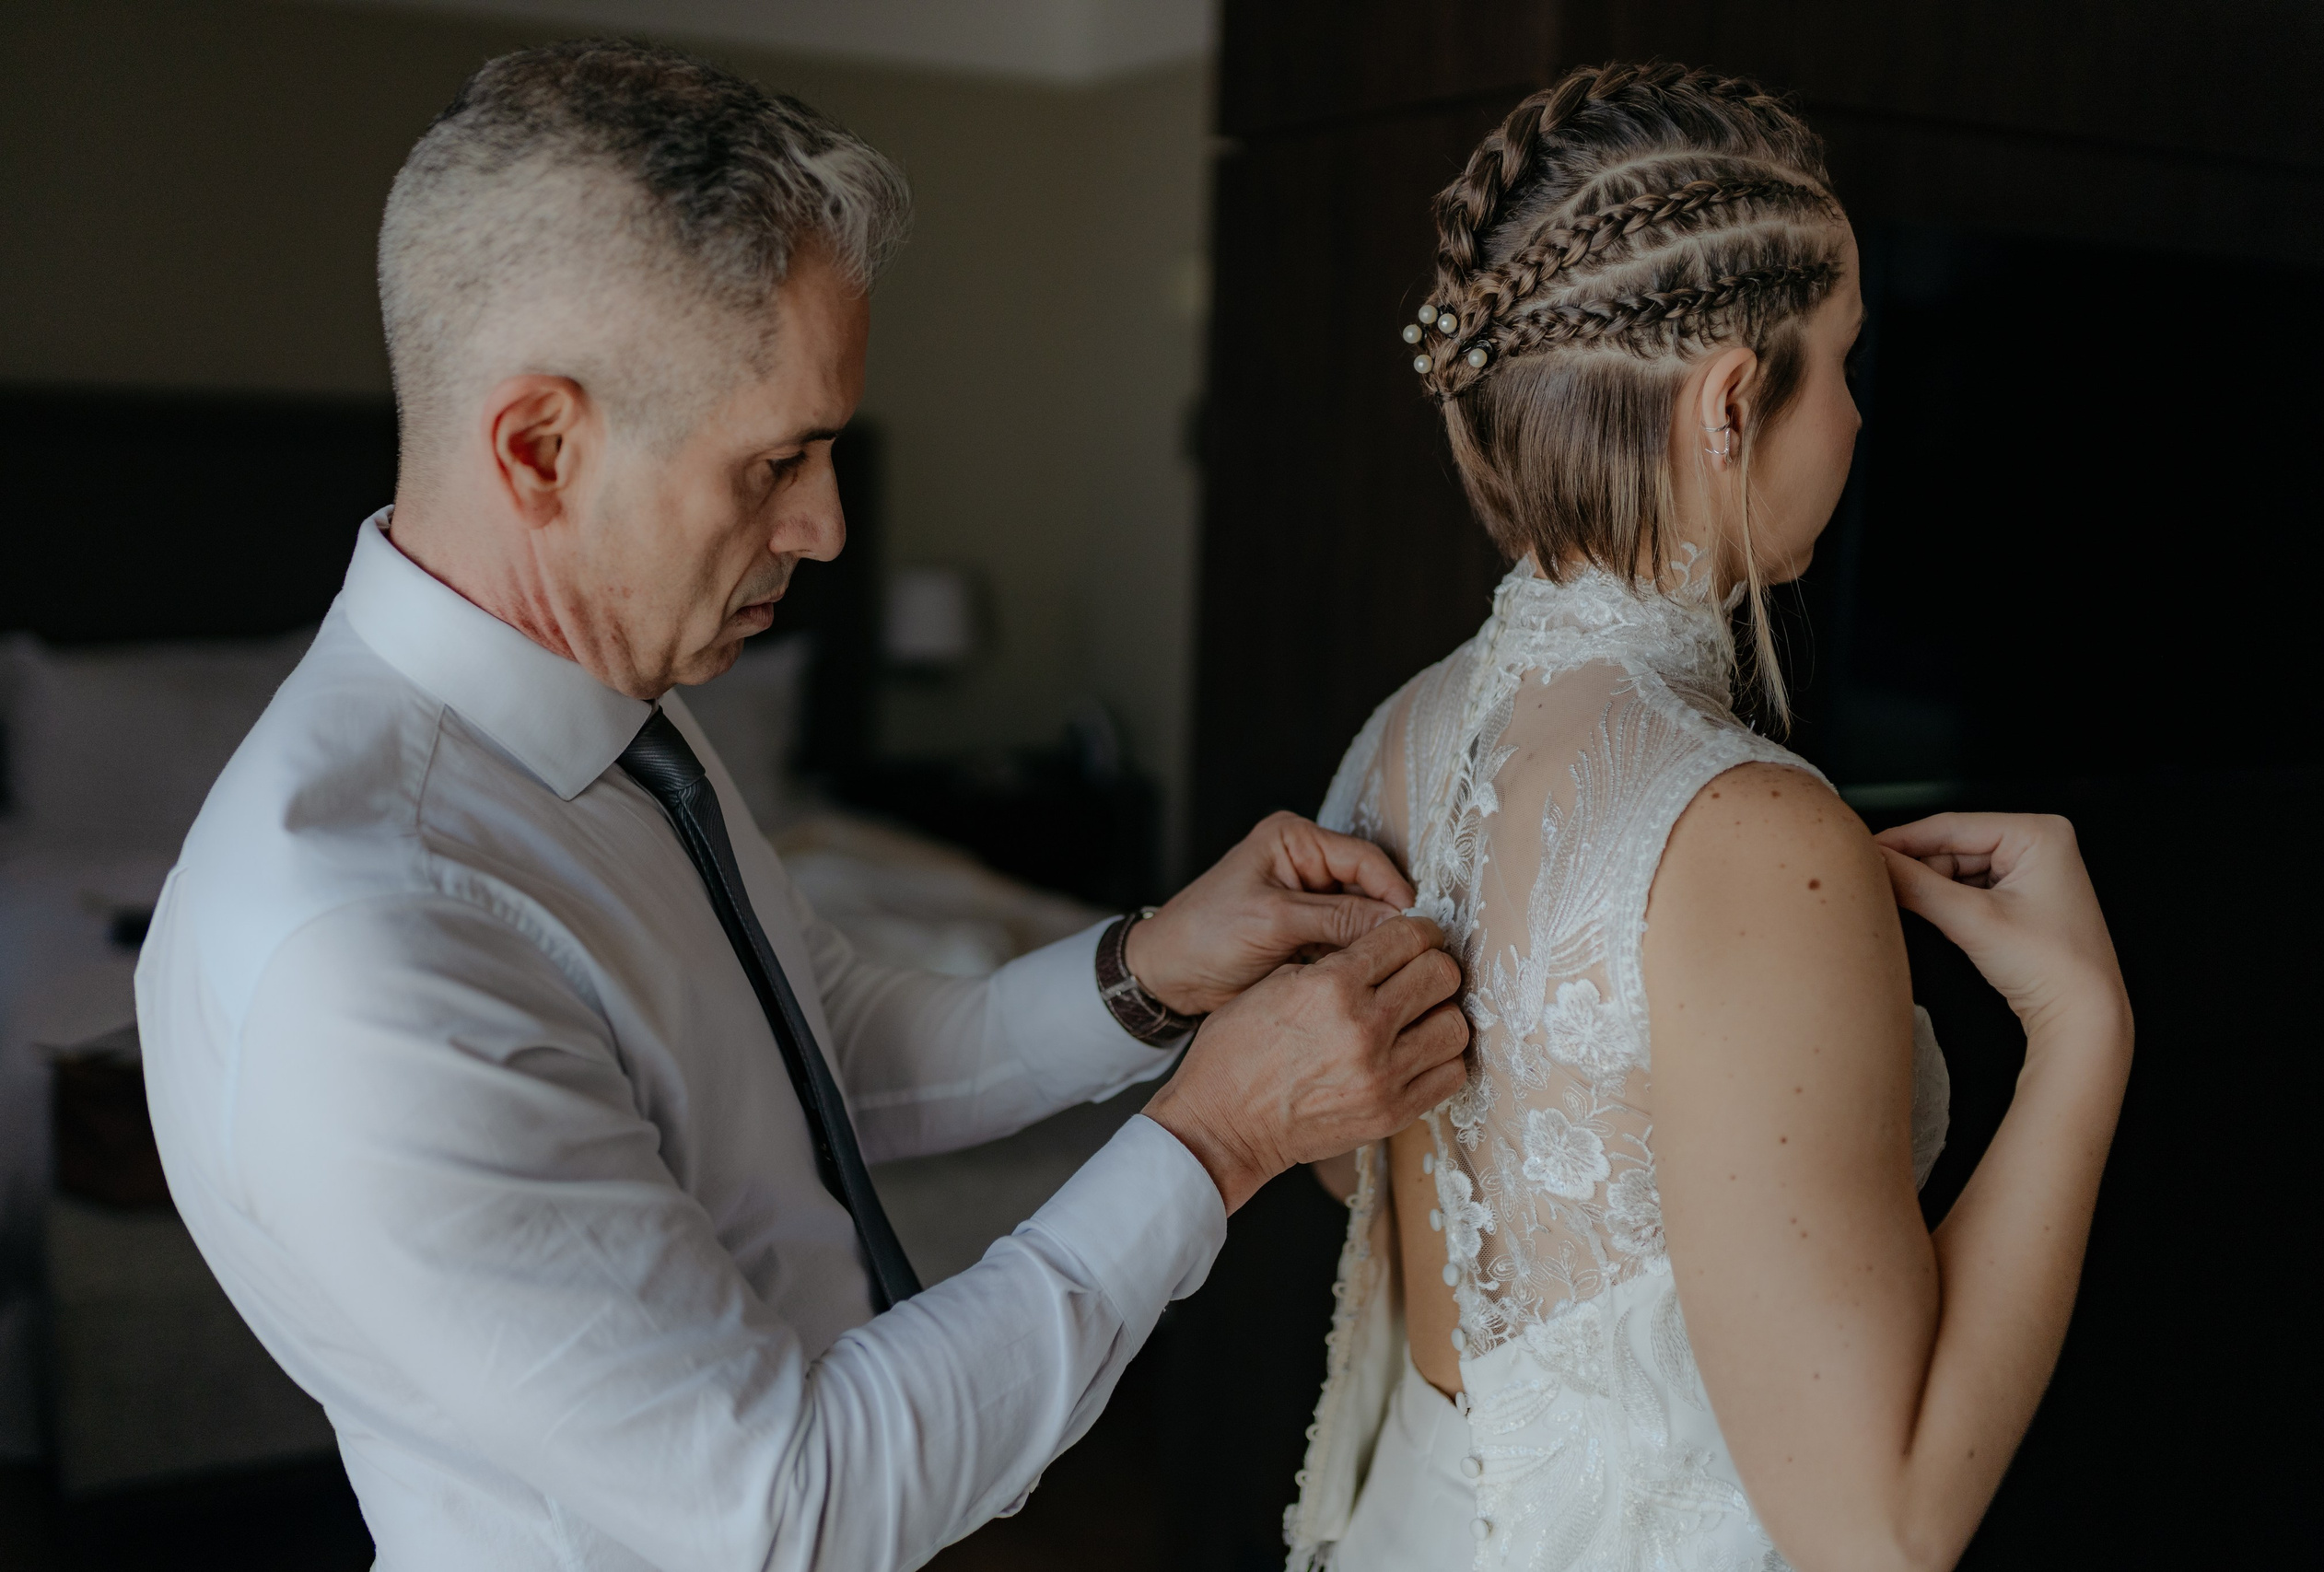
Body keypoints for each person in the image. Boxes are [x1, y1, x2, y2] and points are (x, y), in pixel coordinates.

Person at [134, 41, 1473, 1572]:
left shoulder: (621, 715)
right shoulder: (365, 943)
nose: (826, 527)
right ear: (540, 450)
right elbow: (793, 1505)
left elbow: (814, 1052)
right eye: (778, 461)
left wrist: (1156, 965)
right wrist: (1222, 1132)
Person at [1286, 64, 2133, 1572]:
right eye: (1848, 361)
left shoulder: (1401, 735)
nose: (1863, 419)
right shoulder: (1746, 832)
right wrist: (2083, 1037)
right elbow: (1880, 1528)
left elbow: (1348, 1162)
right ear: (1733, 402)